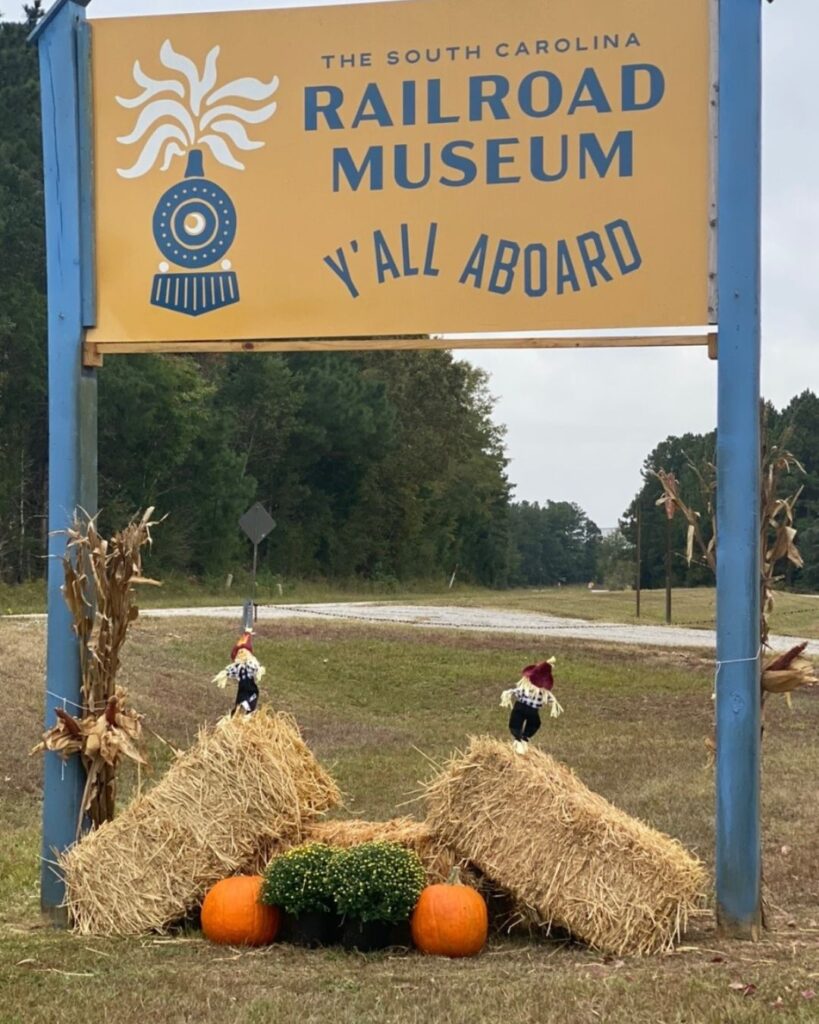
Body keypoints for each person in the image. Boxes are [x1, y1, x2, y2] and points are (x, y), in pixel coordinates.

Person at [500, 658, 563, 755]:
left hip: (532, 711)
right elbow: (517, 691)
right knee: (516, 723)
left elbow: (549, 698)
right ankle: (518, 740)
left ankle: (524, 738)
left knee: (535, 723)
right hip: (521, 707)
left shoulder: (542, 693)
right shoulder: (525, 688)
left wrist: (553, 703)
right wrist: (509, 693)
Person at [212, 630, 265, 715]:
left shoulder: (250, 664)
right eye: (240, 652)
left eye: (243, 651)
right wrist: (225, 673)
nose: (241, 653)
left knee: (251, 700)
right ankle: (236, 715)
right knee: (239, 703)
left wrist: (259, 670)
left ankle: (248, 714)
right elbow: (231, 670)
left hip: (251, 687)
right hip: (242, 689)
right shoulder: (238, 667)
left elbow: (256, 668)